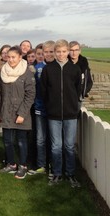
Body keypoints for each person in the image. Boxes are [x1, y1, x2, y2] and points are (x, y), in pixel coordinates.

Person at [40, 39, 82, 187]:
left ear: (68, 52)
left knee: (69, 145)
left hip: (70, 114)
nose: (61, 54)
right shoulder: (48, 69)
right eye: (58, 51)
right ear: (55, 52)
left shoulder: (75, 69)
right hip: (54, 115)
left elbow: (77, 90)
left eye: (64, 51)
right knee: (56, 146)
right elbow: (43, 90)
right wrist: (50, 105)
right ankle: (57, 173)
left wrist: (73, 105)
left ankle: (70, 174)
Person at [0, 45, 35, 180]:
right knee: (7, 140)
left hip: (20, 114)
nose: (11, 60)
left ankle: (23, 166)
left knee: (21, 141)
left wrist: (22, 114)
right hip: (6, 112)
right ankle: (11, 164)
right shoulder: (3, 72)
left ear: (20, 57)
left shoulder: (27, 73)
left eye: (14, 57)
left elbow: (30, 95)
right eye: (9, 57)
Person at [28, 40, 55, 176]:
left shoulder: (56, 67)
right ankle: (41, 165)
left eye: (51, 51)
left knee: (54, 139)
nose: (47, 54)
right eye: (45, 52)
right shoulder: (37, 68)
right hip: (39, 108)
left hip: (54, 109)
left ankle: (53, 165)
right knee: (40, 138)